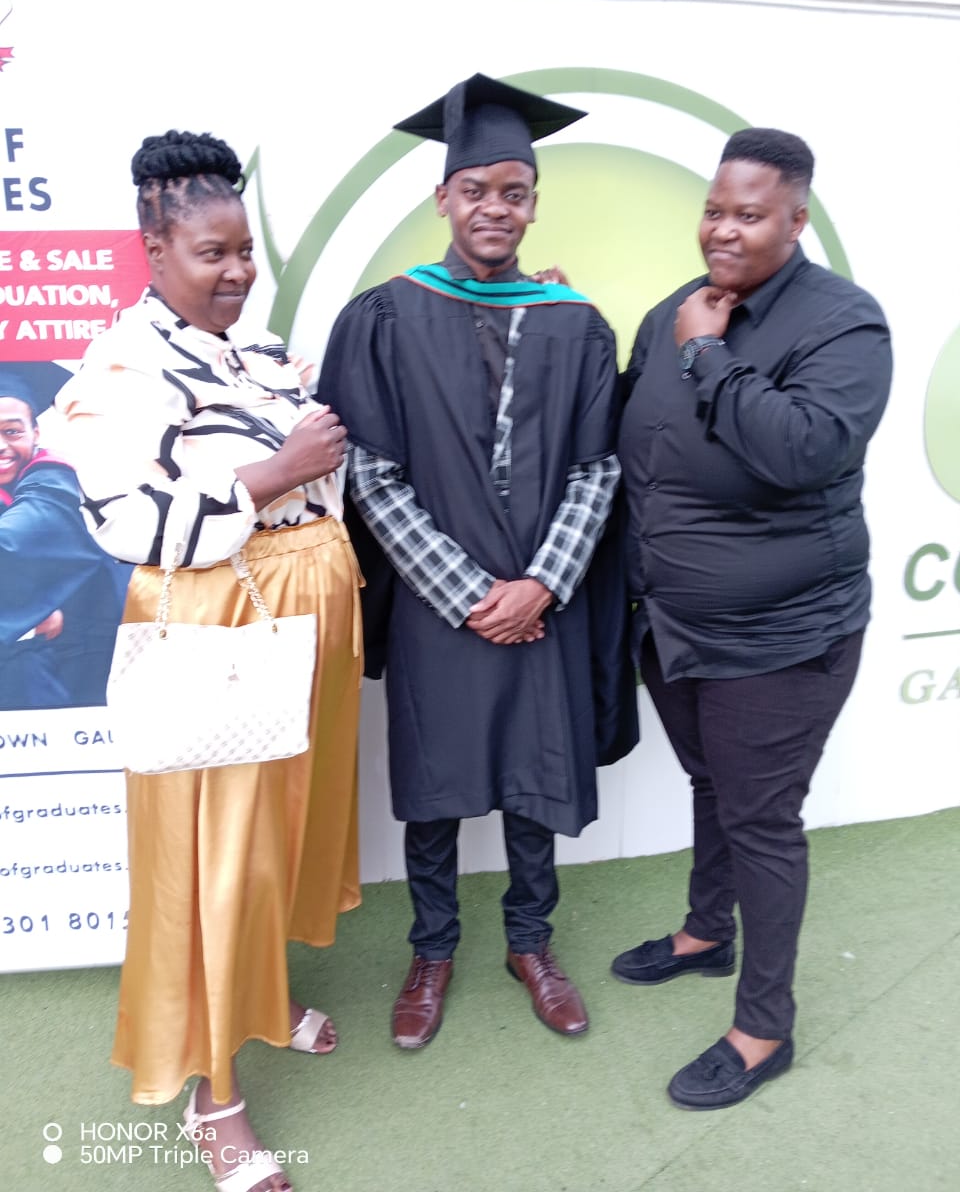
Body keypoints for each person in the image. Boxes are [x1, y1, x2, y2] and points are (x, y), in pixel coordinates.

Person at [56, 130, 363, 1192]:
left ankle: (263, 998)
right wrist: (278, 470)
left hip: (304, 618)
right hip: (213, 628)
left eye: (245, 250)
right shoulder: (122, 367)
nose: (236, 271)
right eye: (211, 252)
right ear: (154, 247)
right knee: (208, 864)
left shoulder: (264, 348)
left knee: (275, 837)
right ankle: (213, 1098)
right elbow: (125, 516)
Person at [320, 73, 636, 1052]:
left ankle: (530, 942)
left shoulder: (578, 324)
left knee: (534, 774)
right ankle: (433, 947)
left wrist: (540, 582)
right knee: (438, 781)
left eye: (514, 190)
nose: (494, 208)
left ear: (533, 201)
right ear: (442, 197)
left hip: (544, 597)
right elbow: (369, 473)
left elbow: (599, 468)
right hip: (436, 605)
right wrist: (468, 592)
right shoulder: (385, 315)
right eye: (476, 189)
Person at [613, 127, 892, 1109]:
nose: (724, 229)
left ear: (796, 218)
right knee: (710, 779)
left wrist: (708, 356)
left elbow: (803, 448)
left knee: (762, 816)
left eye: (749, 213)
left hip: (783, 635)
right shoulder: (674, 311)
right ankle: (704, 930)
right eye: (715, 208)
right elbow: (624, 424)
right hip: (674, 622)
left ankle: (764, 1024)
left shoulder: (844, 323)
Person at [0, 361, 127, 710]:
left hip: (78, 667)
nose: (2, 446)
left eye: (12, 431)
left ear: (36, 433)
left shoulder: (55, 480)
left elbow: (14, 546)